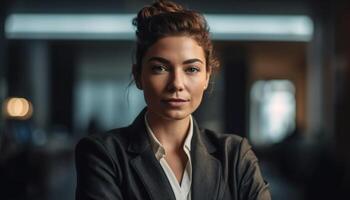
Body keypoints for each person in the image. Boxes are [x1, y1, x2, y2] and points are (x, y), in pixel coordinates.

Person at [75, 0, 271, 199]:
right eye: (160, 68)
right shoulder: (104, 154)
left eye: (191, 69)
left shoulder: (235, 156)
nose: (177, 83)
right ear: (138, 76)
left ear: (207, 77)